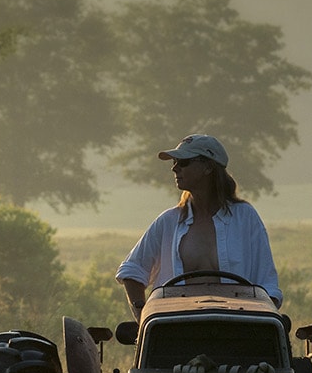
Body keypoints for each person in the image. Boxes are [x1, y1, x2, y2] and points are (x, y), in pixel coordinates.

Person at [116, 133, 282, 319]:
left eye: (183, 162)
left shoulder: (245, 217)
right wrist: (143, 317)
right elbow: (132, 270)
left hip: (236, 325)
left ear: (208, 167)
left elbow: (268, 286)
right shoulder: (168, 221)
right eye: (174, 162)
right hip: (175, 324)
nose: (175, 168)